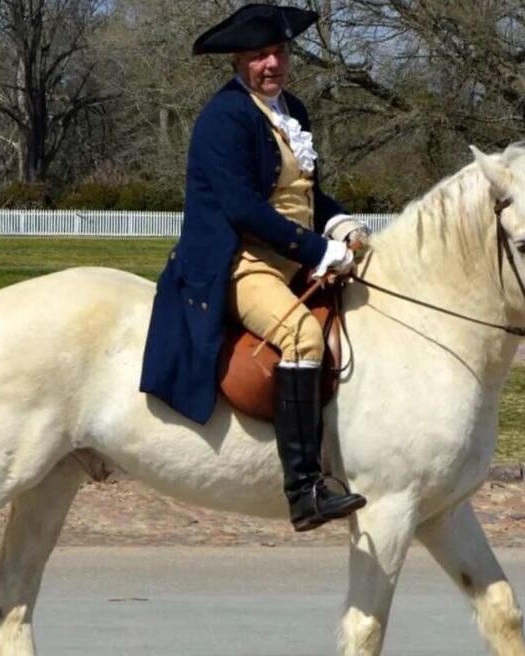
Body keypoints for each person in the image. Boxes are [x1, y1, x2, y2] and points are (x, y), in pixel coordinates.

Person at [139, 4, 368, 532]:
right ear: (239, 61)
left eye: (280, 52)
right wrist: (317, 251)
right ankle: (305, 489)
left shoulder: (294, 111)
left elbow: (303, 195)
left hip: (291, 254)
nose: (272, 63)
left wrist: (341, 227)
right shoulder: (225, 117)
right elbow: (243, 207)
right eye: (260, 55)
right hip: (239, 260)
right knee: (305, 339)